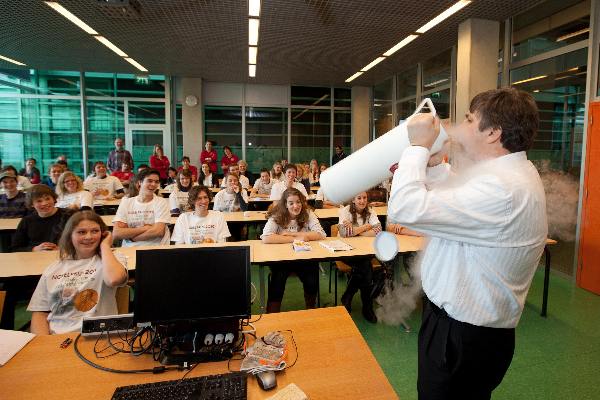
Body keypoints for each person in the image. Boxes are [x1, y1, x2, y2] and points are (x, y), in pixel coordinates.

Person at [387, 88, 547, 399]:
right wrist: (432, 166)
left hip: (461, 336)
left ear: (493, 133)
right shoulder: (502, 176)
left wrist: (417, 150)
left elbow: (404, 208)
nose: (462, 125)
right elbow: (457, 195)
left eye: (470, 119)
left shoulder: (504, 188)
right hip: (462, 332)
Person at [27, 210, 128, 335]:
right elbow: (40, 312)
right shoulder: (54, 268)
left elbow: (114, 279)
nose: (89, 237)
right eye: (81, 232)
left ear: (103, 234)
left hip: (97, 335)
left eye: (95, 231)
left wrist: (105, 246)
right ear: (70, 235)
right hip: (58, 337)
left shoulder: (111, 258)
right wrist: (44, 344)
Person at [261, 188, 326, 313]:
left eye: (298, 202)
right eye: (291, 203)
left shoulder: (308, 213)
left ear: (302, 202)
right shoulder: (277, 215)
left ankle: (311, 310)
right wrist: (299, 238)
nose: (295, 206)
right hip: (282, 258)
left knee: (312, 277)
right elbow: (266, 237)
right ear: (285, 204)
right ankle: (272, 314)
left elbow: (321, 234)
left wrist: (291, 234)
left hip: (304, 257)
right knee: (278, 278)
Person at [337, 191, 382, 323]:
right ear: (353, 199)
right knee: (365, 267)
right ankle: (367, 307)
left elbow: (378, 230)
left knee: (363, 267)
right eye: (359, 198)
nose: (362, 201)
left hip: (364, 251)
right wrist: (366, 227)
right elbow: (345, 233)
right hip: (345, 251)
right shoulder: (345, 211)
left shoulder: (370, 211)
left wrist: (356, 231)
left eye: (365, 198)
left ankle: (348, 296)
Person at [112, 168, 171, 247]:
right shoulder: (126, 202)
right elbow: (117, 233)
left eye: (156, 182)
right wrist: (145, 228)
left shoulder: (161, 202)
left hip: (155, 248)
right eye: (149, 181)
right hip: (129, 249)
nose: (153, 184)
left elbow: (158, 231)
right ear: (140, 182)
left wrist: (132, 238)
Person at [11, 184, 73, 252]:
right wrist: (34, 249)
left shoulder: (69, 216)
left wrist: (63, 249)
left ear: (54, 199)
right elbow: (15, 247)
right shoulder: (27, 221)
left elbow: (80, 241)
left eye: (47, 199)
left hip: (63, 256)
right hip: (35, 258)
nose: (44, 203)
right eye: (39, 201)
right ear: (32, 204)